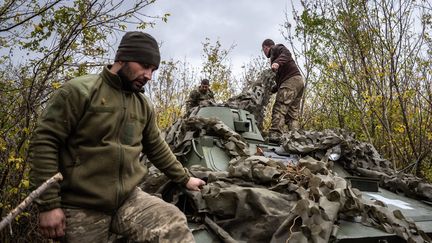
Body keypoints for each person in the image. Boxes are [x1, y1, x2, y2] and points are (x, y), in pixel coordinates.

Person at [28, 31, 205, 242]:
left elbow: (156, 147)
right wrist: (49, 205)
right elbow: (45, 143)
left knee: (172, 222)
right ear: (121, 59)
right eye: (144, 66)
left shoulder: (142, 104)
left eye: (153, 70)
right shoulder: (79, 92)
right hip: (80, 205)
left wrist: (185, 178)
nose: (149, 76)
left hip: (127, 200)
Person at [261, 39, 304, 143]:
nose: (264, 52)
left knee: (279, 108)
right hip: (298, 82)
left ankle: (275, 135)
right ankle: (296, 138)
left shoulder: (275, 49)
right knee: (292, 115)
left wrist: (276, 63)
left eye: (263, 50)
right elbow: (281, 82)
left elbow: (287, 53)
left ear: (266, 47)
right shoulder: (276, 56)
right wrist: (272, 89)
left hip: (290, 81)